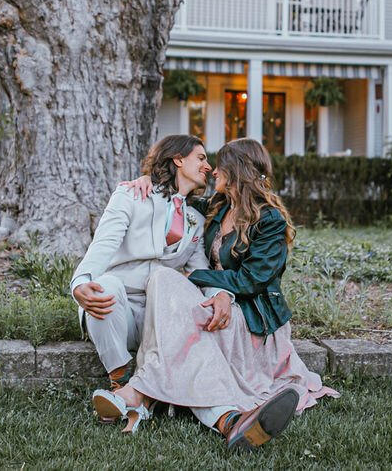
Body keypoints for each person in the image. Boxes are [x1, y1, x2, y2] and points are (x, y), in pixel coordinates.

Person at [93, 138, 338, 450]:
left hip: (250, 318)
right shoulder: (215, 208)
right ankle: (230, 421)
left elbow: (253, 279)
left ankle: (138, 394)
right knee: (165, 282)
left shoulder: (270, 220)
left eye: (221, 163)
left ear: (238, 170)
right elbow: (173, 200)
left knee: (182, 308)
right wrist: (148, 181)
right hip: (213, 302)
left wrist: (201, 279)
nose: (213, 170)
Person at [69, 134, 233, 397]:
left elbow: (199, 270)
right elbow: (103, 244)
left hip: (161, 315)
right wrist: (80, 282)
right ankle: (120, 381)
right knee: (104, 286)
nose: (207, 167)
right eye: (201, 158)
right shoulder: (131, 194)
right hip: (118, 310)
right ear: (178, 159)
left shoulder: (195, 218)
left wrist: (219, 294)